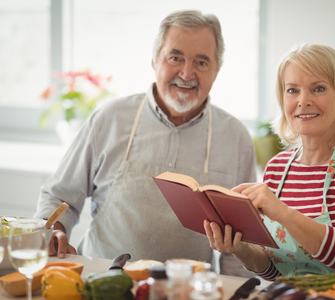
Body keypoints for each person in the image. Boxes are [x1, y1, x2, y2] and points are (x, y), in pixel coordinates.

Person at [34, 9, 256, 277]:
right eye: (175, 57)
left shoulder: (236, 138)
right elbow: (60, 197)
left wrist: (236, 290)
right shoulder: (110, 119)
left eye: (201, 62)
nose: (186, 73)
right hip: (103, 284)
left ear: (216, 70)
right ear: (154, 60)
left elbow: (239, 245)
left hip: (186, 292)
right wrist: (54, 230)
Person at [204, 43, 335, 284]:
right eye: (292, 90)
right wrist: (238, 247)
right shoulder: (277, 168)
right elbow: (278, 269)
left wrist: (283, 213)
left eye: (318, 89)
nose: (303, 101)